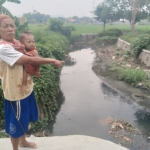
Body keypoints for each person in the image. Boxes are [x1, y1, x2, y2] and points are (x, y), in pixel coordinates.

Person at [0, 14, 63, 150]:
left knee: (24, 119)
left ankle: (23, 142)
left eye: (12, 25)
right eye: (5, 26)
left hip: (27, 89)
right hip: (15, 93)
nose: (10, 29)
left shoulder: (17, 44)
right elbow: (30, 60)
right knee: (15, 124)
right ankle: (15, 148)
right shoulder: (4, 48)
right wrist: (52, 60)